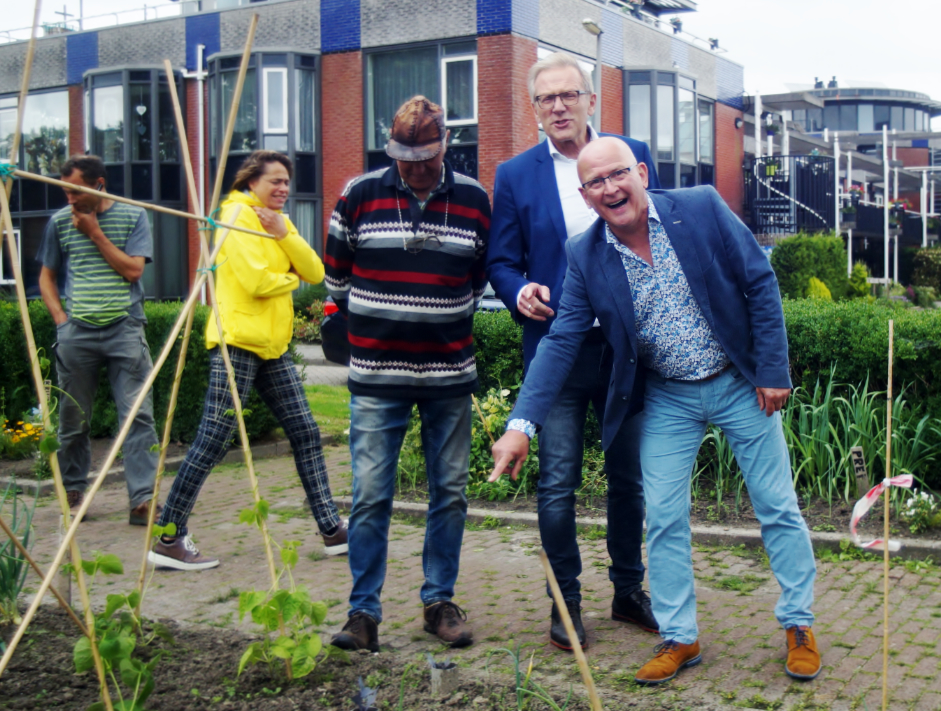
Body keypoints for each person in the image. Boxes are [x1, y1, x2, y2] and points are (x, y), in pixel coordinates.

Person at [490, 137, 820, 685]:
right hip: (668, 395)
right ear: (585, 195)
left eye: (618, 174)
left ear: (641, 172)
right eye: (595, 182)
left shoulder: (701, 207)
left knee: (776, 506)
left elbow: (759, 280)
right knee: (663, 517)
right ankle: (679, 635)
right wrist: (521, 425)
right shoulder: (584, 253)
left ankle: (799, 624)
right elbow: (561, 341)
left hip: (739, 382)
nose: (610, 188)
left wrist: (772, 369)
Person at [486, 51, 660, 650]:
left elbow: (651, 231)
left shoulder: (626, 152)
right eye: (545, 99)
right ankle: (565, 603)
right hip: (554, 352)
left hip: (621, 351)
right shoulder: (513, 175)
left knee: (627, 480)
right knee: (557, 483)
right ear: (535, 111)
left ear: (591, 100)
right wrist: (517, 290)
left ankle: (628, 590)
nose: (558, 106)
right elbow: (500, 261)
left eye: (569, 95)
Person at [324, 96, 490, 652]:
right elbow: (337, 279)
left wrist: (434, 314)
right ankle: (362, 613)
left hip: (449, 376)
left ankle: (438, 601)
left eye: (424, 155)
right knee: (370, 495)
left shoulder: (474, 199)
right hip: (376, 376)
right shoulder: (358, 194)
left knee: (451, 493)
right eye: (403, 155)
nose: (412, 166)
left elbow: (479, 280)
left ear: (445, 146)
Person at [149, 150, 346, 571]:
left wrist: (284, 235)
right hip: (236, 341)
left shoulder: (277, 220)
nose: (283, 189)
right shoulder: (234, 216)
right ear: (249, 181)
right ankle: (169, 535)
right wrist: (289, 276)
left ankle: (332, 529)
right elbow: (258, 281)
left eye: (287, 182)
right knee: (213, 438)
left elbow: (316, 270)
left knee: (306, 432)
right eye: (274, 181)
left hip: (272, 348)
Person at [37, 154, 161, 525]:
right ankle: (74, 491)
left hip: (125, 328)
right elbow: (47, 277)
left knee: (138, 415)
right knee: (73, 418)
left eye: (75, 191)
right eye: (65, 192)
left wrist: (94, 232)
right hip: (77, 333)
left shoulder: (133, 215)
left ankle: (142, 499)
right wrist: (62, 320)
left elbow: (133, 270)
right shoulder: (59, 222)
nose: (69, 201)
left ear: (98, 184)